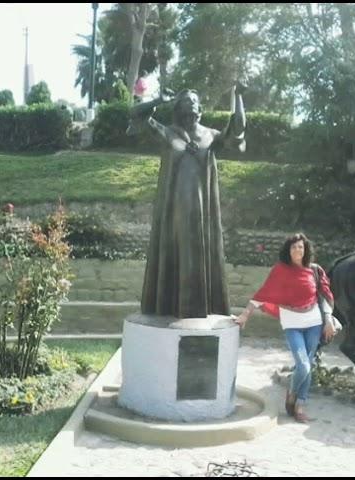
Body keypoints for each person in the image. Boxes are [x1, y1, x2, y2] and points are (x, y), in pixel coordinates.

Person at [128, 84, 247, 319]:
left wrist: (239, 96)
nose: (190, 102)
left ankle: (198, 311)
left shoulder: (210, 136)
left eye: (194, 99)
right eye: (185, 100)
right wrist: (155, 101)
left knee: (200, 255)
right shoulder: (168, 133)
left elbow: (237, 130)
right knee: (176, 254)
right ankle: (173, 307)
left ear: (200, 107)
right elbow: (135, 115)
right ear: (178, 108)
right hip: (174, 212)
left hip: (203, 214)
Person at [234, 233, 338, 423]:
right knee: (303, 365)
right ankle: (291, 393)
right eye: (293, 247)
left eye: (300, 247)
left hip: (314, 323)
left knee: (309, 364)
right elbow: (262, 294)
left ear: (305, 249)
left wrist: (328, 319)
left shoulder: (314, 270)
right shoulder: (280, 270)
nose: (297, 250)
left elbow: (326, 295)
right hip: (292, 324)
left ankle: (299, 405)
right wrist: (245, 314)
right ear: (288, 251)